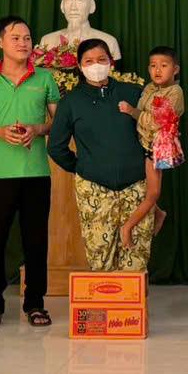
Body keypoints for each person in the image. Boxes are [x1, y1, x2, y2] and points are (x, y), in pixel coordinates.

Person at [0, 16, 60, 329]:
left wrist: (37, 129)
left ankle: (35, 303)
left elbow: (57, 123)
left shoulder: (45, 78)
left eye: (27, 38)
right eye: (15, 38)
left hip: (36, 172)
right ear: (0, 42)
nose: (23, 43)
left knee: (36, 240)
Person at [48, 39, 152, 272]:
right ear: (79, 66)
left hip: (136, 186)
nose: (96, 65)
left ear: (111, 62)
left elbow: (152, 132)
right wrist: (82, 168)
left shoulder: (133, 93)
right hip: (94, 189)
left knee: (136, 258)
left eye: (101, 59)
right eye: (89, 61)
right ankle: (105, 296)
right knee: (100, 258)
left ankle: (134, 297)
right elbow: (56, 146)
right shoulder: (71, 102)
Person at [118, 46, 184, 247]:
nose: (157, 70)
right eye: (153, 66)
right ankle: (159, 213)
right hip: (141, 141)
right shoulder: (149, 88)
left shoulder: (175, 92)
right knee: (141, 186)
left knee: (153, 192)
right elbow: (142, 110)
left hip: (158, 147)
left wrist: (132, 112)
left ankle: (127, 227)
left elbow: (158, 122)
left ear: (175, 69)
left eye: (163, 65)